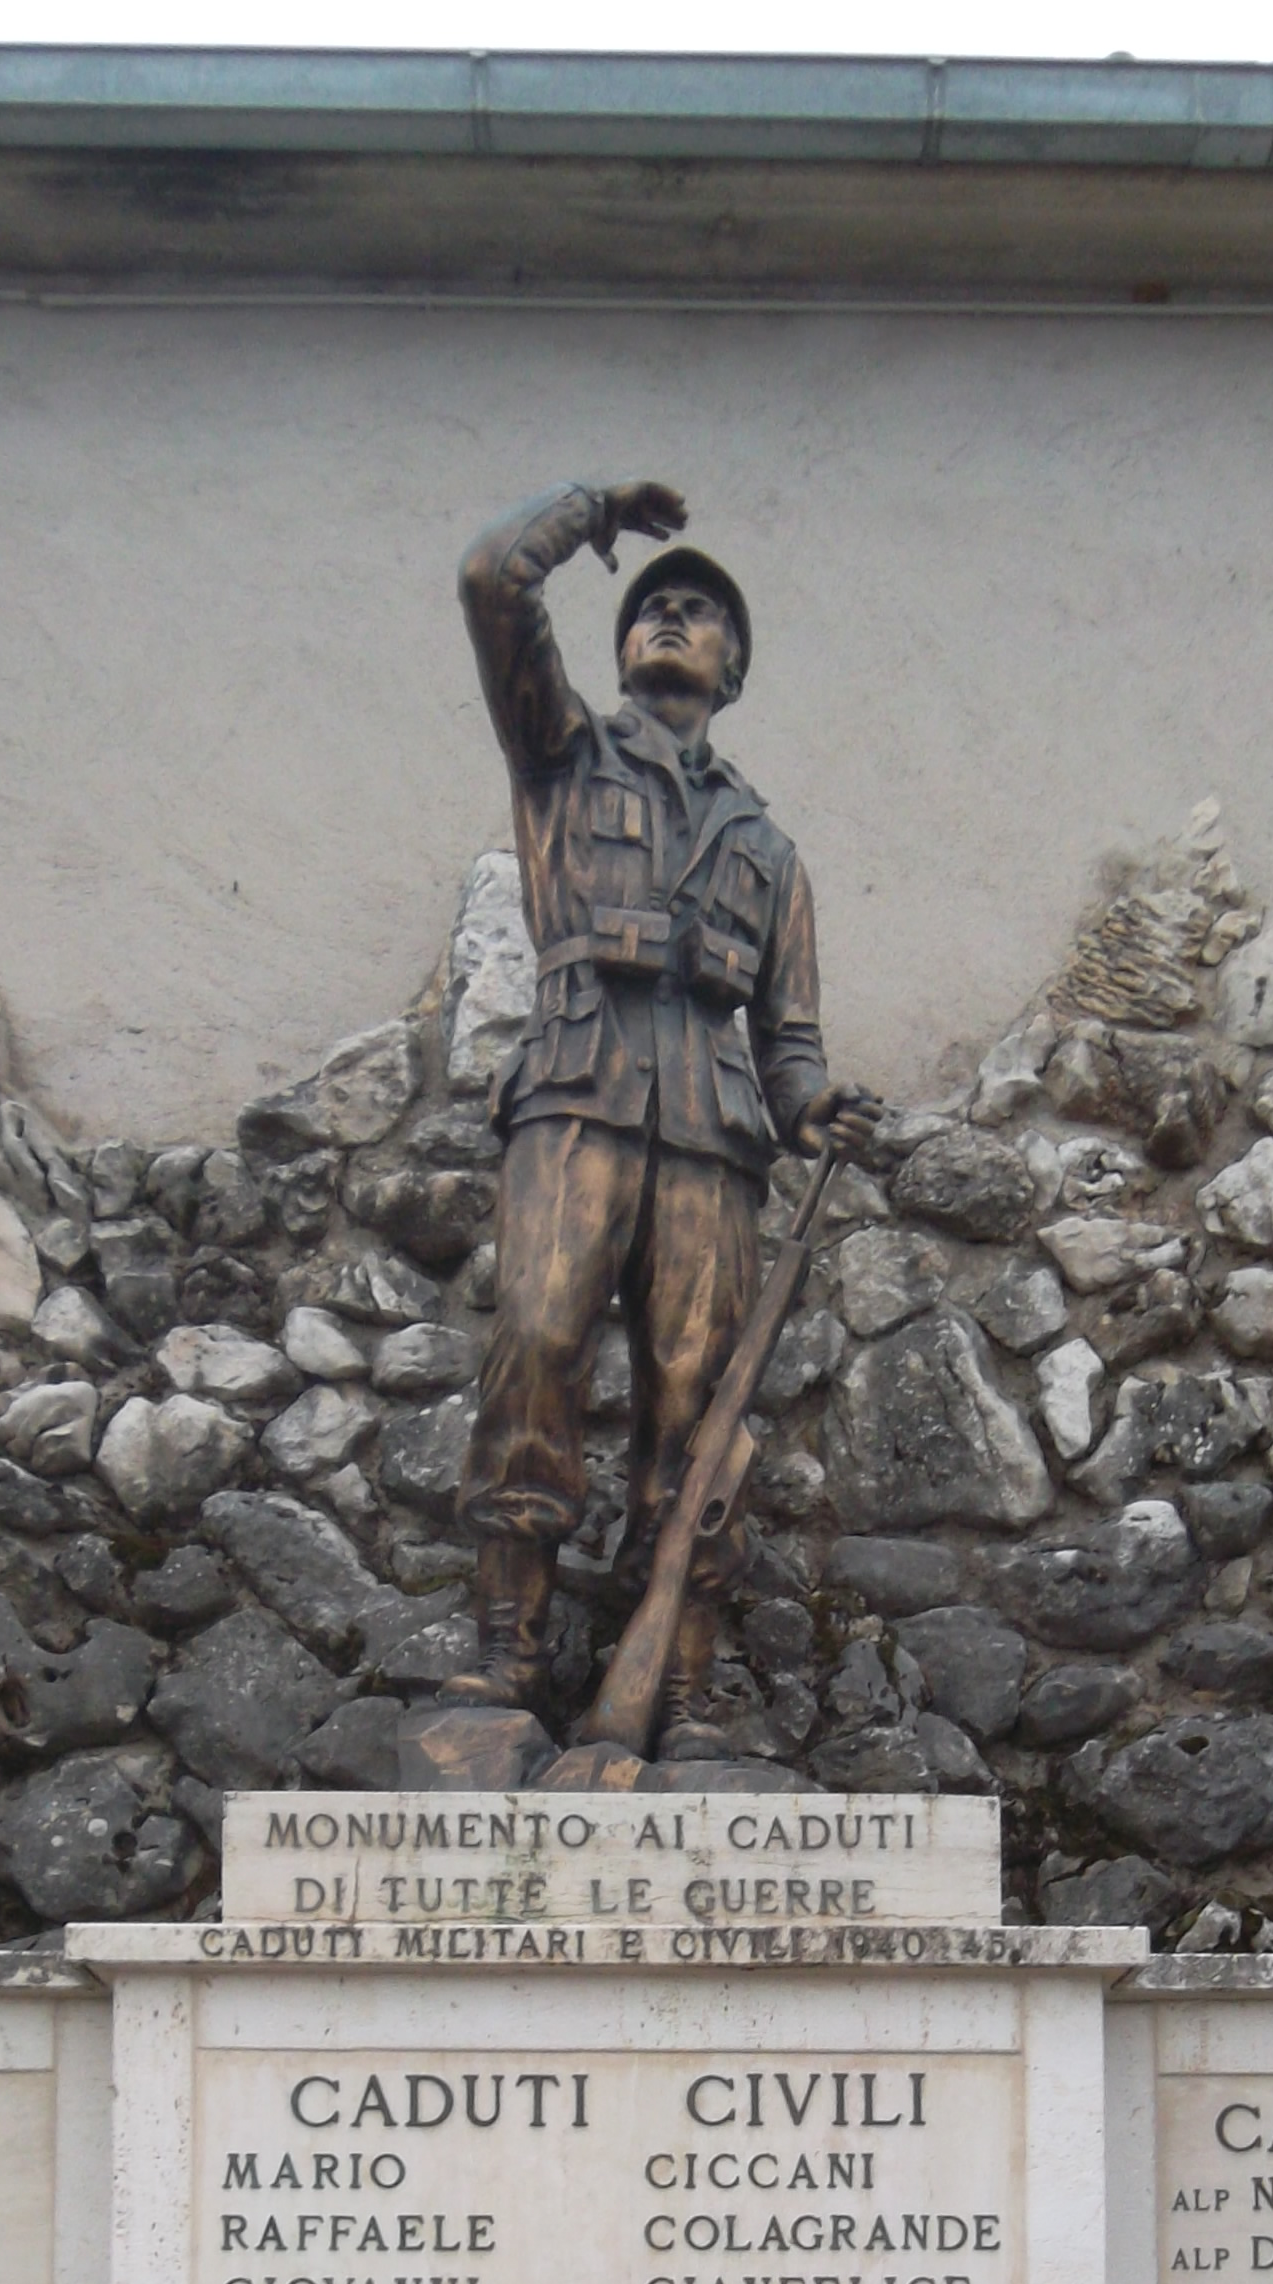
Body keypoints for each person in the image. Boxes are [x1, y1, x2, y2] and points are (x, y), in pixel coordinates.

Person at [448, 476, 883, 1753]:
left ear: (734, 669)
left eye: (700, 614)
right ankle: (505, 1650)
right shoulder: (562, 753)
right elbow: (490, 583)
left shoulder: (770, 848)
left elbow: (788, 1039)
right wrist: (584, 514)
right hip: (577, 1096)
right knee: (534, 1342)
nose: (674, 619)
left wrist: (816, 1113)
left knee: (699, 1410)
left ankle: (680, 1682)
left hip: (712, 1132)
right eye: (653, 608)